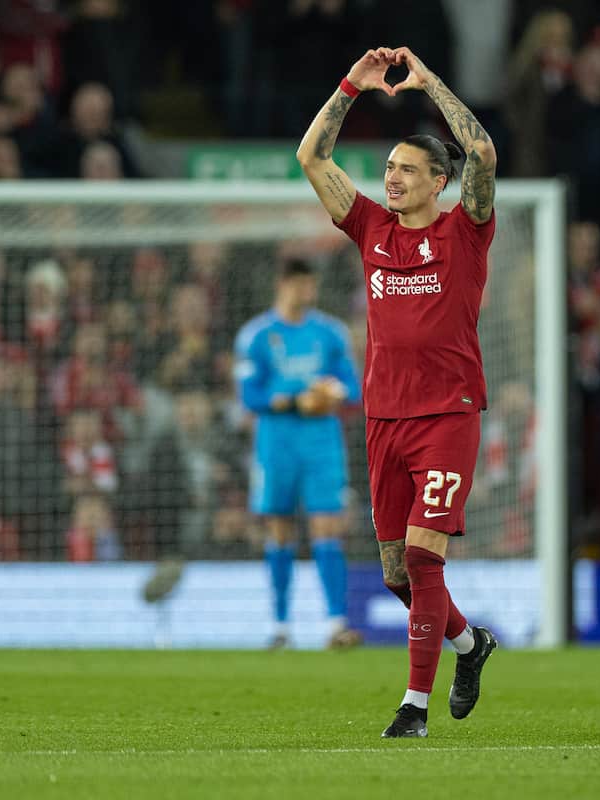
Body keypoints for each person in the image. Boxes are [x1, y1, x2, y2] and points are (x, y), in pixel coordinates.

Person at [296, 46, 498, 739]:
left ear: (440, 181)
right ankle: (471, 645)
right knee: (396, 575)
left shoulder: (464, 231)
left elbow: (483, 151)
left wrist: (429, 83)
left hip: (448, 415)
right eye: (389, 170)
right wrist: (352, 83)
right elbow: (313, 158)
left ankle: (413, 707)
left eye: (408, 170)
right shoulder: (371, 228)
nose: (393, 179)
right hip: (384, 418)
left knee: (421, 555)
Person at [233, 259, 364, 650]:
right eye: (302, 285)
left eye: (312, 285)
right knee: (279, 530)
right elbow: (249, 395)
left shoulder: (330, 332)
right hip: (276, 443)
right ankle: (280, 626)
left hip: (323, 443)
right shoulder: (256, 336)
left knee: (327, 528)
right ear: (283, 284)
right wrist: (294, 401)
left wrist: (330, 394)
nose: (308, 293)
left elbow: (353, 388)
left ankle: (336, 624)